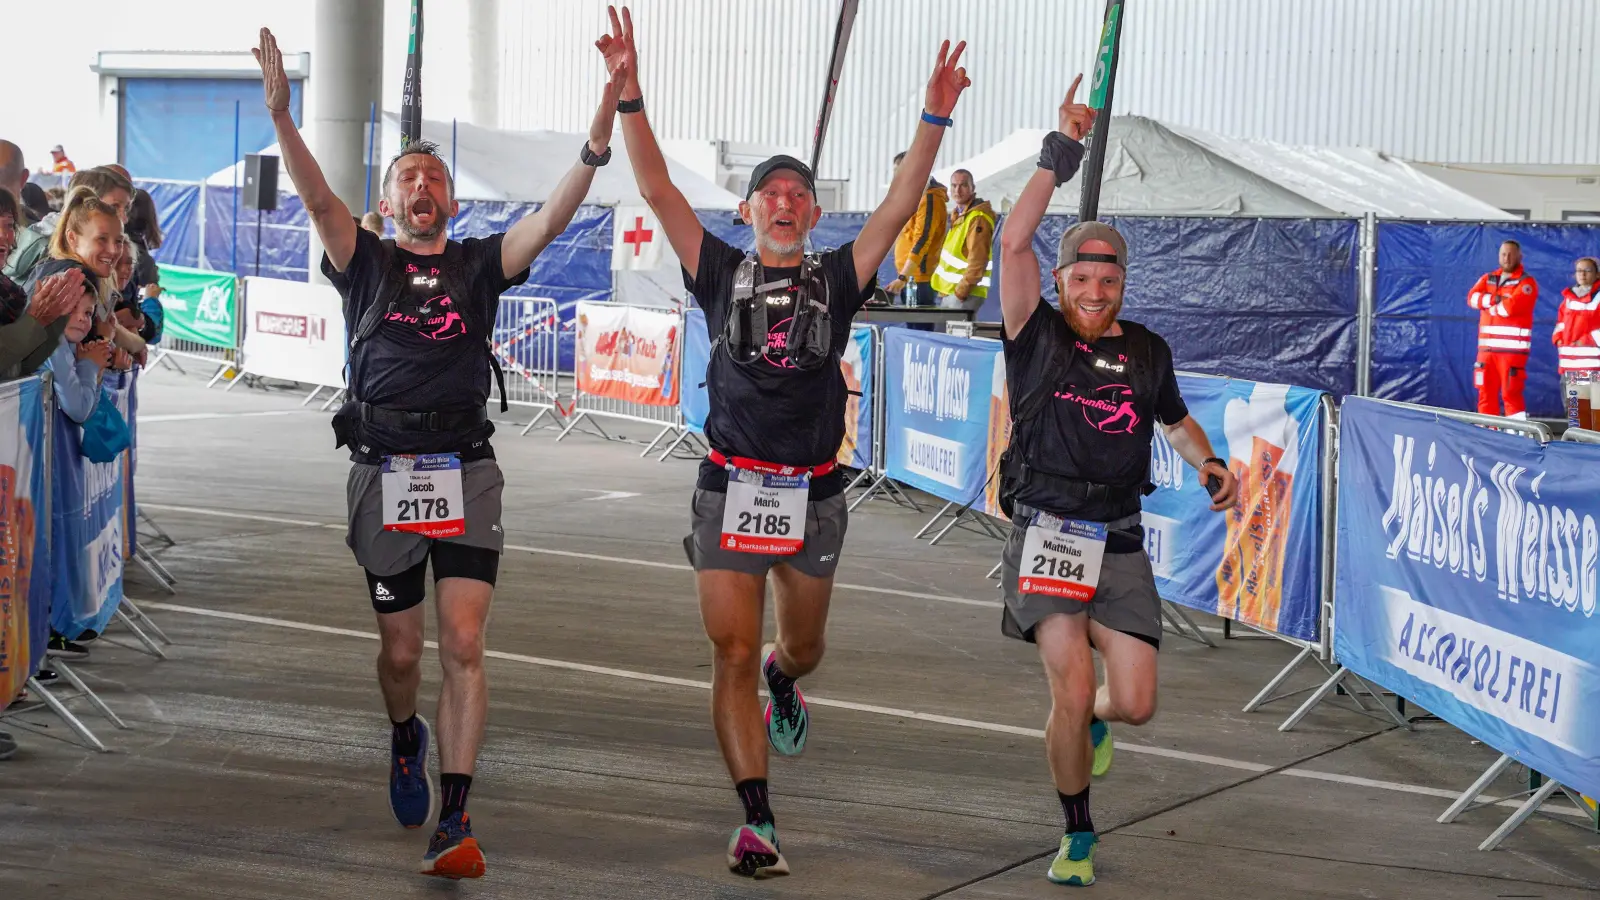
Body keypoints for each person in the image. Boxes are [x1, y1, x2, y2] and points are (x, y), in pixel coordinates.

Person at [600, 4, 971, 878]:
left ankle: (785, 677)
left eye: (799, 191)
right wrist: (630, 97)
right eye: (771, 190)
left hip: (813, 493)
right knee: (728, 647)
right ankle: (758, 820)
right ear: (747, 208)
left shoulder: (840, 277)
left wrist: (934, 116)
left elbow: (903, 200)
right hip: (730, 487)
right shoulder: (718, 268)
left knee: (799, 647)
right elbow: (655, 188)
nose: (784, 198)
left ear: (811, 213)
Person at [254, 25, 620, 879]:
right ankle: (402, 735)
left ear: (451, 202)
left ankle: (455, 820)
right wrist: (282, 117)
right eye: (407, 178)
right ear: (387, 204)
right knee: (403, 654)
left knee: (461, 644)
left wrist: (600, 133)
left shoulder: (481, 264)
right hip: (383, 475)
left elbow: (553, 217)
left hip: (466, 471)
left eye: (436, 178)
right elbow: (315, 203)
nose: (423, 185)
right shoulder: (367, 260)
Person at [993, 76, 1239, 887]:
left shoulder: (1146, 349)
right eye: (1082, 280)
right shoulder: (1034, 331)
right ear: (1061, 281)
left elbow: (1175, 420)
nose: (1095, 294)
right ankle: (1077, 833)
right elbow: (1013, 242)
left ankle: (1098, 722)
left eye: (1109, 283)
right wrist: (1059, 153)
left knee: (1131, 702)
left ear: (1123, 287)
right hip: (1046, 533)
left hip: (1119, 539)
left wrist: (1206, 461)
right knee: (1068, 688)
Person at [0, 187, 82, 378]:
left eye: (9, 226)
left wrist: (54, 316)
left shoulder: (13, 295)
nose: (4, 235)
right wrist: (35, 319)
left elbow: (21, 366)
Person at [1466, 240, 1538, 419]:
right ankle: (1487, 434)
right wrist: (1495, 301)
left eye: (1511, 254)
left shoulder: (1526, 283)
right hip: (1486, 353)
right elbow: (1471, 299)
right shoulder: (1488, 278)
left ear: (1520, 257)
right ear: (1499, 256)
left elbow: (1509, 308)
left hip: (1511, 353)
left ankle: (1517, 438)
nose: (1507, 258)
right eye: (1503, 254)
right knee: (1484, 394)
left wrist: (1487, 302)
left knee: (1510, 395)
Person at [884, 151, 947, 306]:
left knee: (920, 328)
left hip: (919, 280)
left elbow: (922, 240)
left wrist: (903, 277)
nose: (896, 177)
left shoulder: (930, 199)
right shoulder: (913, 197)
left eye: (899, 172)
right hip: (910, 278)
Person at [930, 167, 994, 312]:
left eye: (963, 185)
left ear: (973, 188)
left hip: (964, 295)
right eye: (954, 185)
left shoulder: (977, 218)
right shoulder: (959, 215)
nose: (957, 190)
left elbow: (978, 261)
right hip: (953, 294)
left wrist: (960, 293)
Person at [1554, 256, 1599, 420]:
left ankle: (1594, 445)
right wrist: (1559, 339)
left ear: (1597, 274)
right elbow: (1560, 323)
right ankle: (1577, 445)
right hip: (1570, 367)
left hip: (1594, 368)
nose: (1583, 274)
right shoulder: (1568, 299)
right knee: (1575, 415)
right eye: (1579, 270)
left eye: (1588, 270)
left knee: (1595, 414)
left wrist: (1586, 341)